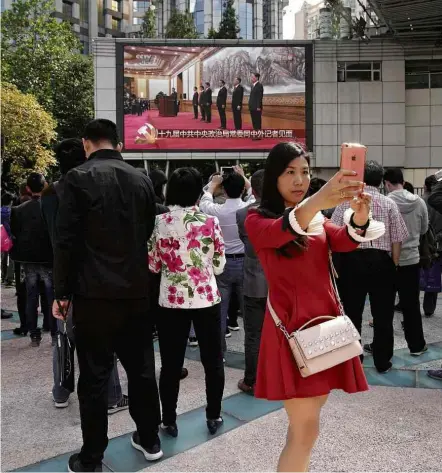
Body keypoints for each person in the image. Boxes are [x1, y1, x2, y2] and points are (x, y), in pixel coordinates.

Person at [245, 143, 384, 472]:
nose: (299, 179)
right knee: (304, 430)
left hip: (323, 329)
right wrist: (320, 200)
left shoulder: (317, 219)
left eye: (305, 172)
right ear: (273, 178)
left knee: (306, 427)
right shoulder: (258, 220)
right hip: (292, 334)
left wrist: (360, 217)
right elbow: (286, 227)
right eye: (290, 172)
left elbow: (344, 240)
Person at [52, 119, 162, 472]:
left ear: (86, 143)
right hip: (135, 292)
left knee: (96, 376)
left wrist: (62, 292)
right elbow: (147, 230)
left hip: (93, 294)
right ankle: (149, 440)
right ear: (118, 143)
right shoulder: (142, 180)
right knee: (142, 369)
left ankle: (92, 457)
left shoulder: (75, 179)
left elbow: (65, 242)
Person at [41, 138, 129, 413]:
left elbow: (56, 239)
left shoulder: (49, 194)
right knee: (103, 340)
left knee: (63, 338)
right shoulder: (93, 187)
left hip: (61, 273)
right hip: (94, 275)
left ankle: (61, 391)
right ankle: (113, 396)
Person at [149, 167, 226, 436]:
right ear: (197, 192)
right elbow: (218, 265)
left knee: (170, 364)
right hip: (206, 298)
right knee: (213, 360)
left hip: (171, 301)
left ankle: (168, 419)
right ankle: (214, 415)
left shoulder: (159, 223)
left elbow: (153, 264)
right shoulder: (210, 222)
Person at [332, 161, 408, 373]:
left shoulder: (346, 203)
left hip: (351, 261)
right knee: (383, 314)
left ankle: (354, 360)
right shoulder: (389, 203)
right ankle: (383, 361)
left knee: (351, 312)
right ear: (380, 180)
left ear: (361, 180)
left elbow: (334, 234)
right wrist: (393, 263)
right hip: (382, 262)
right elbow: (398, 238)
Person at [199, 167, 254, 355]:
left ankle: (219, 353)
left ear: (223, 189)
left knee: (220, 313)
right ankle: (253, 354)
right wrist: (245, 178)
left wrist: (214, 183)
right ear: (242, 190)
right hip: (245, 264)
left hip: (222, 265)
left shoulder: (215, 210)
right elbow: (255, 191)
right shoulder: (249, 208)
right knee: (249, 314)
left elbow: (204, 199)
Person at [382, 168, 428, 356]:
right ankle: (416, 346)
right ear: (403, 181)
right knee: (411, 305)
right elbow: (424, 228)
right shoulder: (419, 202)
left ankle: (383, 349)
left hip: (388, 261)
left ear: (387, 183)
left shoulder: (385, 203)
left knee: (384, 306)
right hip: (412, 260)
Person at [10, 173, 55, 347]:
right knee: (51, 296)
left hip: (27, 259)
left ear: (28, 188)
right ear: (44, 186)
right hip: (47, 258)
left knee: (31, 296)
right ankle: (53, 332)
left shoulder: (19, 210)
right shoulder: (50, 207)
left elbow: (16, 233)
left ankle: (34, 335)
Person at [236, 170, 267, 395]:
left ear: (252, 190)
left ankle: (252, 379)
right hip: (281, 283)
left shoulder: (242, 214)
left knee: (253, 334)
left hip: (254, 281)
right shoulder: (288, 213)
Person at [421, 174, 442, 317]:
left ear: (425, 186)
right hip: (440, 241)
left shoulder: (422, 201)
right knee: (435, 274)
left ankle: (425, 307)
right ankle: (429, 308)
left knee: (425, 272)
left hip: (426, 242)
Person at [248, 72, 264, 139]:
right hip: (252, 106)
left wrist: (258, 106)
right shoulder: (252, 86)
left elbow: (259, 97)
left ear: (257, 77)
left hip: (257, 107)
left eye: (252, 77)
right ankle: (255, 133)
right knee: (254, 121)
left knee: (258, 121)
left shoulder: (259, 85)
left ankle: (259, 135)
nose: (251, 78)